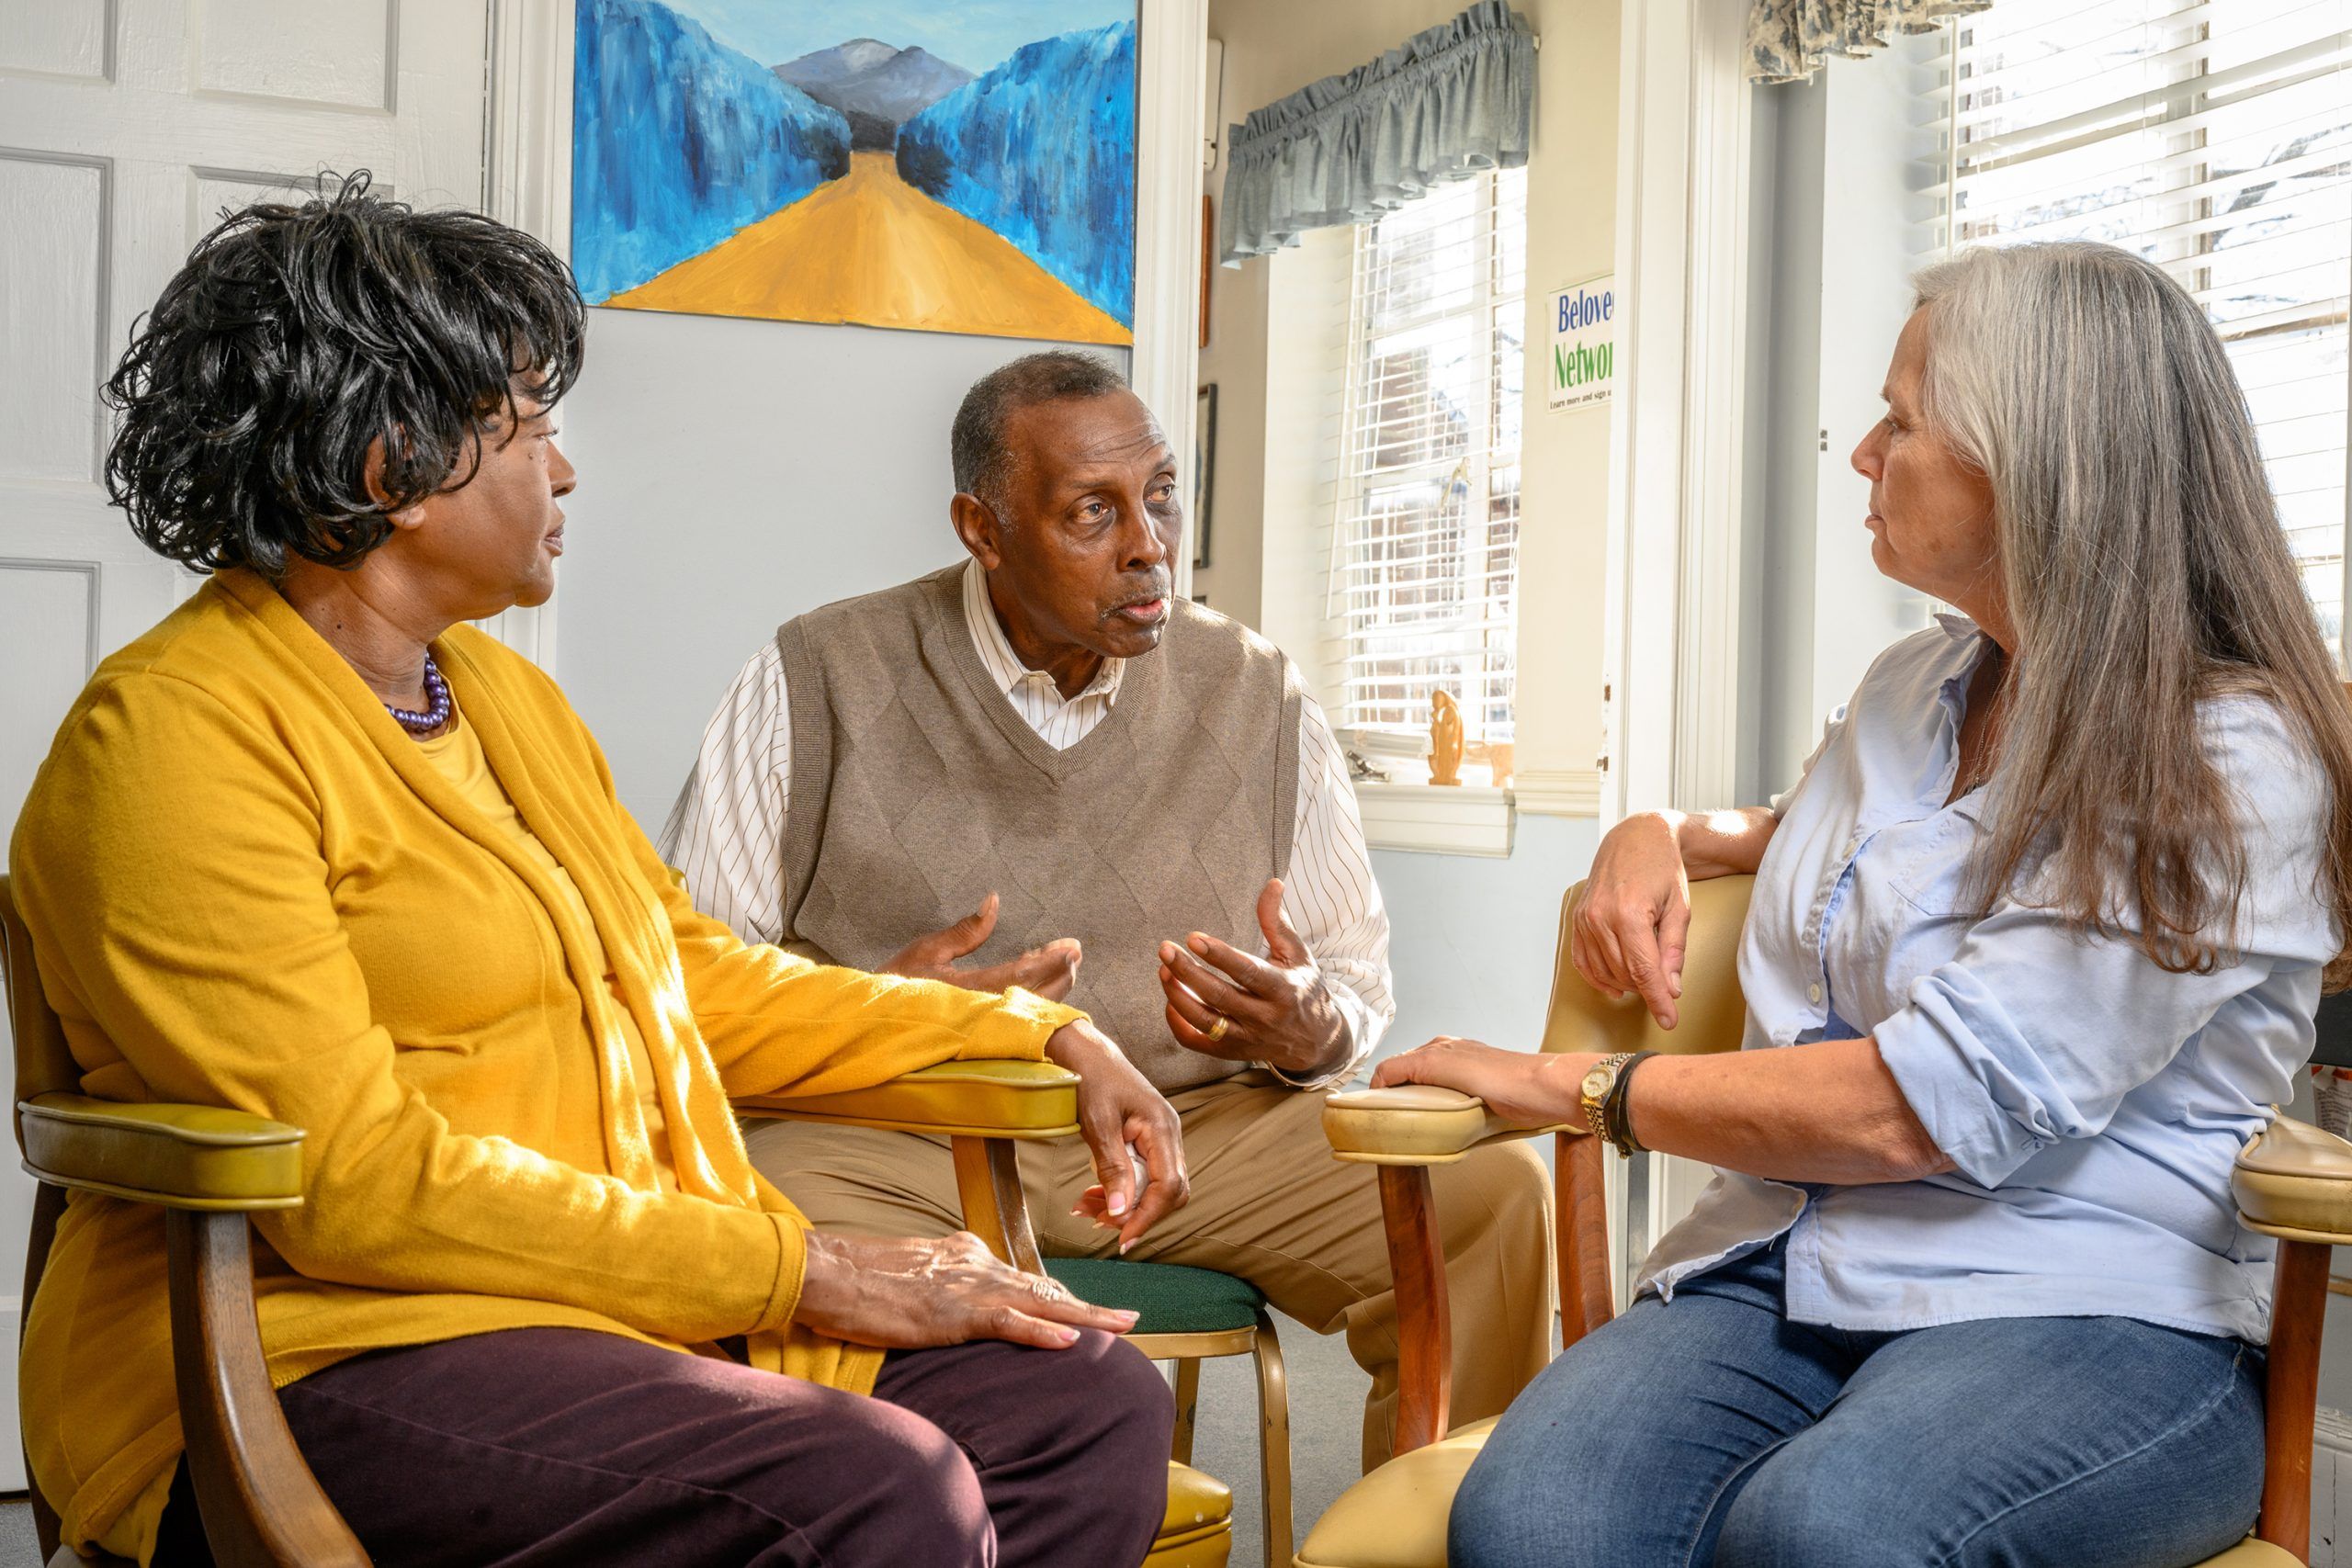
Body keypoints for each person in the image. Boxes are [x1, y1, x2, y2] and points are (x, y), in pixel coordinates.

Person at [8, 177, 1186, 1568]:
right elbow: (350, 1180)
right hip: (318, 1348)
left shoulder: (503, 700)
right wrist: (815, 1267)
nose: (564, 473)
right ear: (395, 465)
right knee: (868, 1485)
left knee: (1086, 1401)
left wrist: (1034, 1025)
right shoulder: (172, 740)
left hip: (597, 1311)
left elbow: (692, 982)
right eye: (532, 430)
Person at [1381, 241, 2352, 1566]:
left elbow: (1914, 1105)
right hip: (1790, 1256)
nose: (1863, 453)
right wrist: (1659, 826)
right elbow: (1853, 852)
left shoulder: (2235, 754)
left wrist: (1570, 1084)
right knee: (1534, 1520)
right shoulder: (1918, 680)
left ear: (2037, 465)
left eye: (1902, 421)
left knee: (1827, 1532)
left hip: (2093, 1295)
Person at [662, 351, 1556, 1465]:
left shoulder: (1256, 689)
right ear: (981, 529)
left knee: (1489, 1194)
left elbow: (1351, 985)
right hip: (899, 1139)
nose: (1149, 544)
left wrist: (1306, 1026)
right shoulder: (815, 673)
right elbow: (678, 993)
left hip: (1197, 1141)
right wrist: (880, 1010)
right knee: (747, 1219)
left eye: (1161, 496)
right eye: (1094, 511)